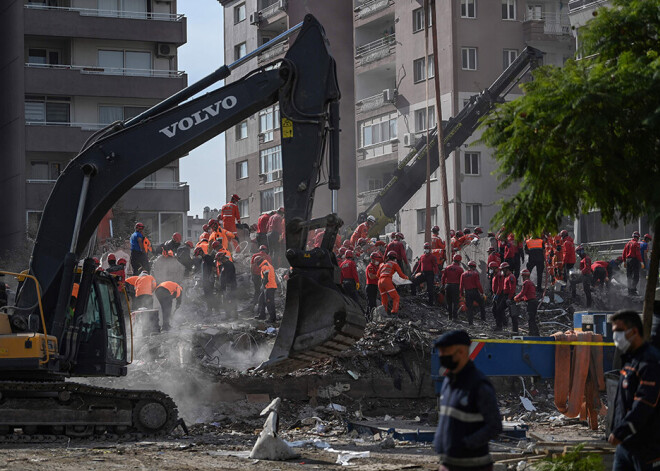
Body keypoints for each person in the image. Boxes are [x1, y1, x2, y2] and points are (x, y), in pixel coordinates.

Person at [433, 330, 503, 470]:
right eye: (440, 351)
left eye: (446, 351)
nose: (442, 356)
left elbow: (494, 426)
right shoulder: (448, 382)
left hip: (474, 466)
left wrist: (465, 445)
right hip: (448, 464)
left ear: (462, 352)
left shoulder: (479, 385)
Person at [608, 310, 660, 470]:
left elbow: (644, 402)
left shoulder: (649, 361)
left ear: (634, 331)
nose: (616, 336)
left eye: (619, 331)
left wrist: (622, 431)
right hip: (625, 446)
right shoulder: (630, 359)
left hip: (645, 447)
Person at [460, 260, 486, 325]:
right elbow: (478, 284)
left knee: (469, 308)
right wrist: (482, 292)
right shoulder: (475, 274)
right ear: (474, 267)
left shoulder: (463, 274)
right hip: (475, 291)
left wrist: (462, 294)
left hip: (467, 292)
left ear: (468, 266)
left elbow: (461, 286)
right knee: (481, 304)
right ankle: (483, 319)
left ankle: (470, 323)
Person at [514, 269, 539, 336]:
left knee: (530, 318)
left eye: (522, 276)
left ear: (524, 276)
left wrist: (516, 297)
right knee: (532, 318)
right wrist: (521, 299)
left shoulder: (526, 283)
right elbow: (529, 294)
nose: (522, 278)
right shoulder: (531, 283)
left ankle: (533, 333)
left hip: (531, 303)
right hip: (533, 302)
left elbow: (523, 292)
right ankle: (535, 333)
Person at [441, 254, 464, 320]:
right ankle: (455, 317)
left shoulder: (447, 268)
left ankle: (449, 316)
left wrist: (442, 285)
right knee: (456, 302)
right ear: (459, 261)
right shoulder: (460, 269)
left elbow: (443, 277)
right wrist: (462, 289)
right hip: (456, 286)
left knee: (449, 302)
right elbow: (462, 280)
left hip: (448, 286)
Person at [216, 251, 237, 320]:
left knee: (230, 300)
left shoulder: (229, 265)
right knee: (226, 300)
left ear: (222, 258)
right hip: (226, 286)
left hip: (230, 286)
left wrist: (228, 287)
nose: (219, 262)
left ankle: (233, 316)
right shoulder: (224, 265)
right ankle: (228, 315)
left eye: (219, 260)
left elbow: (229, 277)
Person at [256, 256, 277, 323]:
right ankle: (262, 315)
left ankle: (272, 318)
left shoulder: (265, 266)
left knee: (269, 303)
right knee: (261, 300)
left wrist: (263, 285)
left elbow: (266, 278)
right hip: (267, 287)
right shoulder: (265, 265)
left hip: (269, 287)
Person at [623, 231, 643, 296]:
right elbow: (638, 254)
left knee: (629, 276)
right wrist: (641, 261)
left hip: (628, 260)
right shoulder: (636, 244)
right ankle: (633, 290)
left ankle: (629, 292)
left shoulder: (628, 243)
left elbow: (624, 253)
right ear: (638, 237)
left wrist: (624, 261)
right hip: (634, 260)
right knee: (636, 276)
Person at [502, 262, 517, 332]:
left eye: (503, 269)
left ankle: (515, 330)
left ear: (505, 269)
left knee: (513, 314)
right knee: (499, 309)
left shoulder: (511, 277)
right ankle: (504, 324)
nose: (502, 271)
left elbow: (512, 288)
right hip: (506, 296)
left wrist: (509, 298)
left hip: (510, 297)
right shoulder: (506, 277)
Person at [365, 252, 381, 316]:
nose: (377, 261)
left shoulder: (376, 267)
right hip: (370, 286)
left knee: (373, 303)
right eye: (376, 259)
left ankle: (371, 317)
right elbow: (371, 276)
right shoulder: (370, 267)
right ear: (373, 259)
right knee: (371, 303)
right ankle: (368, 317)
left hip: (374, 286)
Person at [491, 263, 506, 331]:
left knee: (497, 310)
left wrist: (497, 295)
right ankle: (503, 322)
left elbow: (500, 286)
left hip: (499, 294)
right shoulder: (495, 275)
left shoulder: (499, 275)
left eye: (491, 268)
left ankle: (499, 326)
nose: (491, 270)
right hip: (496, 294)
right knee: (496, 310)